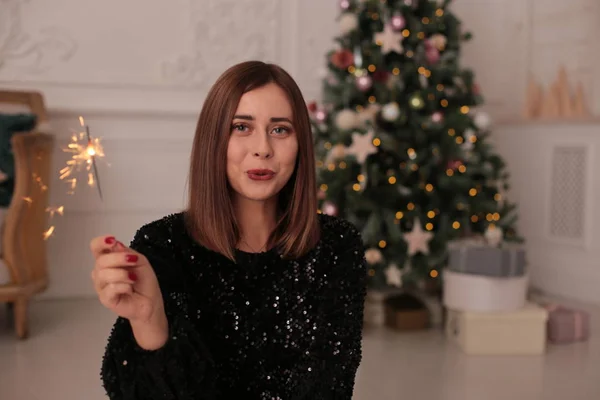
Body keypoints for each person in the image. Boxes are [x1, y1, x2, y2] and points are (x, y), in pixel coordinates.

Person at [90, 61, 367, 400]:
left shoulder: (337, 247)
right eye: (241, 127)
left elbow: (330, 388)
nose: (263, 148)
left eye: (280, 129)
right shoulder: (162, 246)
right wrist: (150, 320)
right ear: (214, 140)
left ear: (301, 145)